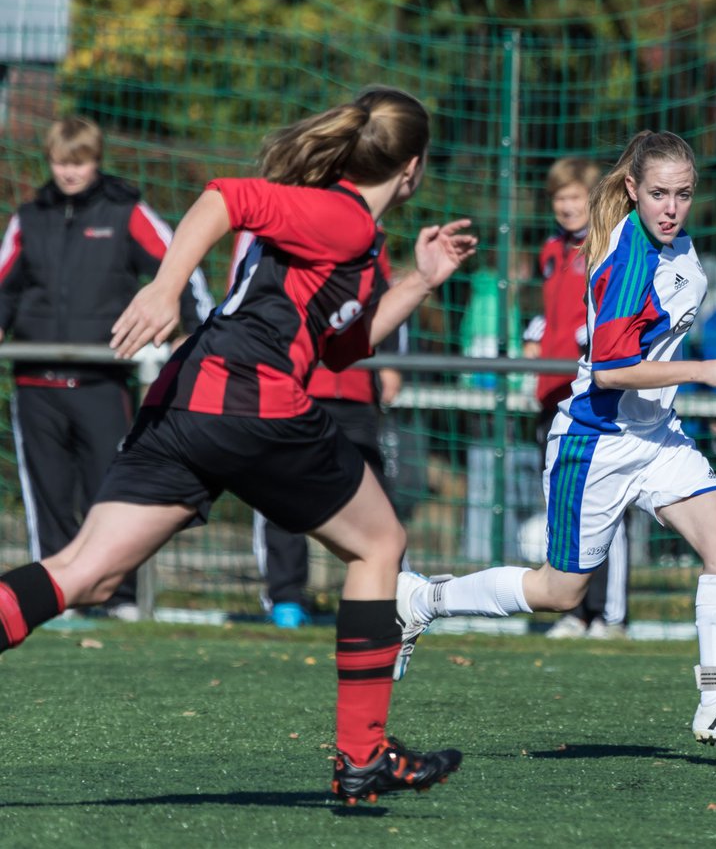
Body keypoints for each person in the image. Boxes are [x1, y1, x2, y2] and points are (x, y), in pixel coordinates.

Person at [0, 86, 478, 804]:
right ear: (413, 167)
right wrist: (165, 289)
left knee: (84, 573)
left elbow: (340, 350)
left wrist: (420, 279)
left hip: (189, 403)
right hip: (252, 405)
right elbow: (224, 198)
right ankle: (361, 757)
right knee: (380, 546)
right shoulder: (339, 215)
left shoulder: (357, 240)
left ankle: (364, 756)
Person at [397, 130, 716, 745]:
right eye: (657, 194)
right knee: (557, 592)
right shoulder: (629, 261)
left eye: (682, 194)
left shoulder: (674, 245)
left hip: (653, 434)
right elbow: (613, 369)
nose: (671, 208)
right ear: (632, 191)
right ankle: (424, 599)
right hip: (595, 441)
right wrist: (701, 370)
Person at [0, 116, 214, 620]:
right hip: (34, 382)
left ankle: (120, 597)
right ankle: (53, 602)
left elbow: (176, 266)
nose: (70, 172)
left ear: (96, 161)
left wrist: (191, 329)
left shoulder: (126, 212)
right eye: (60, 162)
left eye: (80, 162)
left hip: (104, 379)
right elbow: (5, 285)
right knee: (48, 492)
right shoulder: (28, 218)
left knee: (111, 490)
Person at [238, 229, 409, 628]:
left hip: (353, 391)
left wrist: (389, 364)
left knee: (375, 497)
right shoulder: (270, 232)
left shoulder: (370, 235)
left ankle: (394, 597)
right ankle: (285, 597)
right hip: (292, 387)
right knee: (281, 490)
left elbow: (387, 302)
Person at [522, 156, 631, 640]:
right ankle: (573, 610)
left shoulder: (609, 246)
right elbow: (547, 312)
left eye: (575, 197)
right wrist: (535, 340)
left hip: (592, 392)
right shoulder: (550, 251)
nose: (566, 206)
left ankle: (609, 614)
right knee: (563, 507)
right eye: (559, 198)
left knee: (606, 503)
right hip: (551, 394)